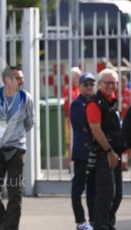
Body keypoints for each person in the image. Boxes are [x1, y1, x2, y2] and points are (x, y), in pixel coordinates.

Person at [0, 66, 35, 230]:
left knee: (15, 192)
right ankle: (5, 221)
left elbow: (30, 122)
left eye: (22, 78)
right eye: (18, 78)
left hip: (17, 149)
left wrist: (16, 135)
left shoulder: (25, 98)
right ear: (7, 79)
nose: (22, 81)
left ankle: (10, 227)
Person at [85, 68, 123, 230]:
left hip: (115, 155)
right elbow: (96, 129)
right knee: (107, 195)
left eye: (114, 83)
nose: (111, 86)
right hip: (104, 155)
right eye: (108, 82)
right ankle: (100, 225)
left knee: (117, 195)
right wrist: (109, 152)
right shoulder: (95, 103)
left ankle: (108, 224)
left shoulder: (112, 102)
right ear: (99, 84)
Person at [70, 72, 96, 230]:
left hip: (96, 152)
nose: (89, 87)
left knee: (93, 189)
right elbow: (88, 125)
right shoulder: (76, 104)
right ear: (79, 86)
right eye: (85, 84)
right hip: (81, 153)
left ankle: (93, 220)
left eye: (92, 84)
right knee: (78, 189)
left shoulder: (96, 102)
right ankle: (80, 221)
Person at [63, 67, 81, 166]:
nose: (76, 77)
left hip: (81, 118)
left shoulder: (81, 88)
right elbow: (66, 105)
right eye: (75, 75)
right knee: (69, 140)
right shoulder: (68, 89)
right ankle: (71, 161)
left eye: (77, 75)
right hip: (70, 118)